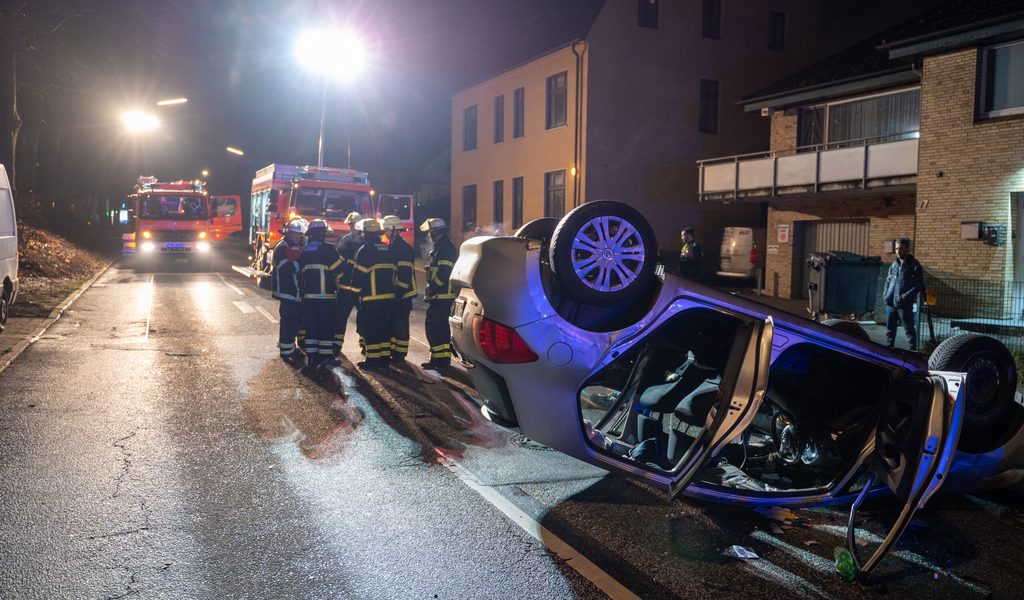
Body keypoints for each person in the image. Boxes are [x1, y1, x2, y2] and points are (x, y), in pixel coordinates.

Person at [298, 219, 345, 369]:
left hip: (308, 298)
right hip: (326, 297)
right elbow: (340, 270)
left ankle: (312, 357)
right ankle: (325, 357)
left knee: (311, 327)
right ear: (322, 234)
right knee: (326, 327)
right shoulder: (328, 249)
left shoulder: (304, 251)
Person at [350, 218, 396, 370]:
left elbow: (358, 276)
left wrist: (354, 294)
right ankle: (384, 359)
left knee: (371, 329)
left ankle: (372, 360)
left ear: (365, 234)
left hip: (371, 298)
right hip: (389, 298)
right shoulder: (388, 249)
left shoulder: (365, 251)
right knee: (384, 329)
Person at [420, 218, 458, 370]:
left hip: (442, 296)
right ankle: (441, 359)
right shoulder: (441, 247)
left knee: (436, 327)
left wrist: (433, 287)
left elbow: (444, 273)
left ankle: (438, 360)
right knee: (440, 328)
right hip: (440, 296)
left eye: (430, 232)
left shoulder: (445, 248)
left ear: (436, 232)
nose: (429, 235)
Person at [381, 215, 417, 363]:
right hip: (394, 293)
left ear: (394, 230)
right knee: (393, 323)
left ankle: (400, 355)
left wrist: (399, 294)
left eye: (387, 230)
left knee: (400, 324)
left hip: (403, 294)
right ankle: (393, 351)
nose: (385, 232)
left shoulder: (404, 248)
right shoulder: (393, 246)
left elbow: (404, 274)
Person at [273, 218, 307, 367]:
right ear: (289, 233)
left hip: (295, 291)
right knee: (289, 321)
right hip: (287, 291)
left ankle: (291, 347)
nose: (298, 237)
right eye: (295, 234)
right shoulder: (282, 247)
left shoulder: (295, 246)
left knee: (295, 321)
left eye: (299, 234)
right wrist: (300, 264)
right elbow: (284, 268)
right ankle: (286, 351)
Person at [883, 237, 926, 351]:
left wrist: (904, 297)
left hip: (904, 304)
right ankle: (889, 350)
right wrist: (885, 295)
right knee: (890, 330)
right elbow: (888, 280)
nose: (898, 251)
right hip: (891, 303)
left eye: (901, 248)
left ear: (907, 249)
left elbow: (918, 285)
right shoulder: (894, 264)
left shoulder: (914, 265)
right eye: (897, 249)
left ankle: (912, 352)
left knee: (909, 329)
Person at [334, 211, 364, 357]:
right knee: (340, 318)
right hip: (346, 287)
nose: (352, 228)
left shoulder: (362, 242)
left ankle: (365, 345)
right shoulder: (345, 241)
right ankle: (336, 345)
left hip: (359, 288)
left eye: (354, 225)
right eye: (351, 225)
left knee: (364, 318)